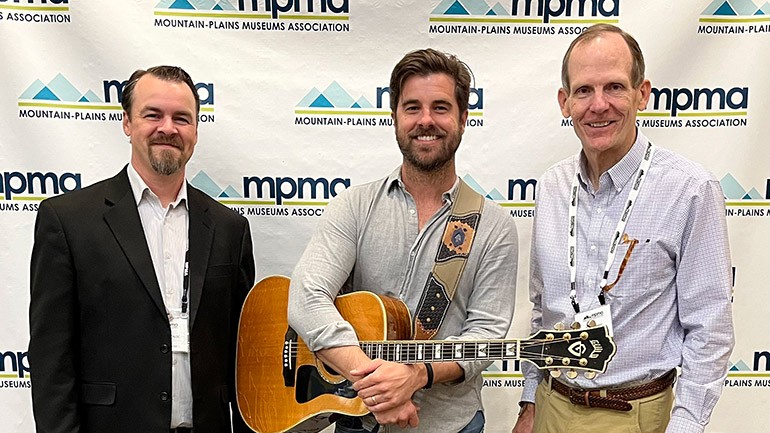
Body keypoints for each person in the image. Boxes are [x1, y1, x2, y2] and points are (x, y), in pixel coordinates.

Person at [511, 24, 734, 433]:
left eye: (614, 87)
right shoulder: (551, 187)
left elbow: (710, 329)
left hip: (636, 416)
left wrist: (685, 427)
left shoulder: (690, 190)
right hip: (551, 406)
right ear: (565, 102)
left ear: (641, 94)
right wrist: (529, 399)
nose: (598, 105)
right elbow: (544, 310)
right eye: (583, 91)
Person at [287, 48, 518, 433]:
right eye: (412, 107)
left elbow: (485, 336)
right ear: (395, 117)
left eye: (441, 108)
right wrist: (377, 386)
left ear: (463, 119)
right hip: (357, 419)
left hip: (452, 425)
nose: (426, 120)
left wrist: (416, 376)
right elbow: (307, 296)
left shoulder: (494, 228)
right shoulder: (354, 207)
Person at [28, 66, 255, 433]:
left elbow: (245, 360)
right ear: (127, 123)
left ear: (195, 131)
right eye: (153, 115)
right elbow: (51, 356)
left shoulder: (230, 229)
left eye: (182, 118)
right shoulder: (69, 221)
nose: (168, 128)